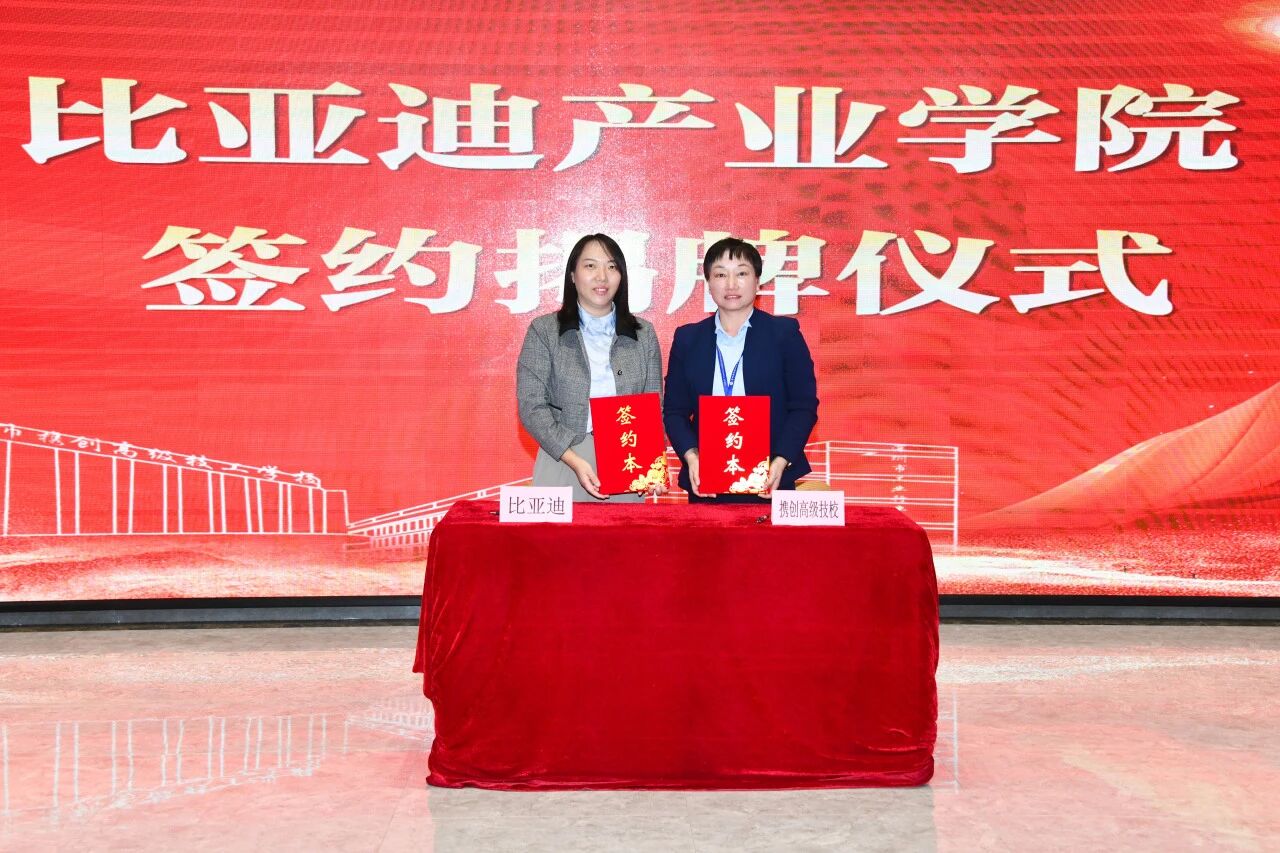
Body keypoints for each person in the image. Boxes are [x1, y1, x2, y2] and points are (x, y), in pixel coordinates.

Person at [663, 237, 819, 502]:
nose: (731, 284)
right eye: (721, 274)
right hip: (706, 482)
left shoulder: (784, 334)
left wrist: (781, 461)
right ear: (709, 284)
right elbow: (675, 412)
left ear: (757, 282)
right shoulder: (688, 339)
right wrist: (692, 457)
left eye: (742, 273)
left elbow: (803, 407)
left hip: (770, 479)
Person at [516, 233, 665, 502]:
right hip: (562, 456)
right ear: (573, 275)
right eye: (590, 266)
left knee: (625, 531)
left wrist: (653, 463)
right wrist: (572, 458)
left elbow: (654, 405)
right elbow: (531, 405)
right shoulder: (545, 330)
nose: (602, 277)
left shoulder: (643, 334)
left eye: (611, 266)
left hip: (627, 460)